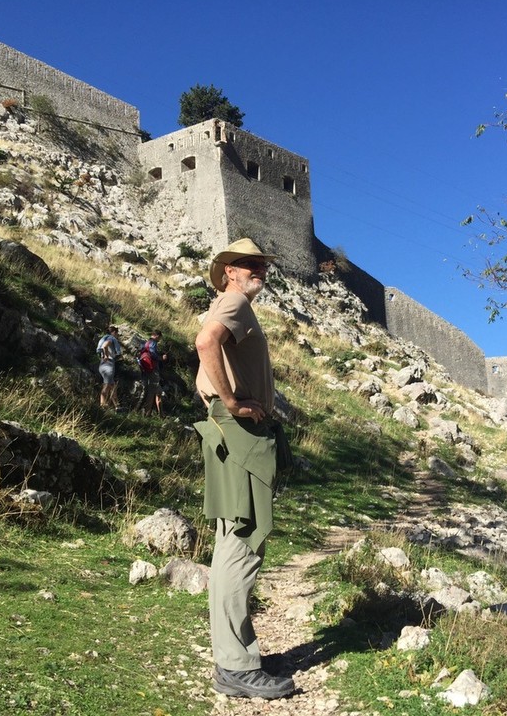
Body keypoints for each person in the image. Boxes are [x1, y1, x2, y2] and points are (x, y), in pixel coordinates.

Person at [194, 238, 295, 701]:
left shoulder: (226, 303)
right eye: (249, 264)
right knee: (243, 544)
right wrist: (232, 402)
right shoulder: (233, 301)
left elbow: (205, 357)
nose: (260, 269)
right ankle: (236, 665)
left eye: (262, 264)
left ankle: (233, 656)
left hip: (228, 434)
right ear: (228, 272)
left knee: (229, 544)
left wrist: (221, 403)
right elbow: (204, 343)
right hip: (240, 436)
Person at [138, 330, 168, 416]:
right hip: (152, 369)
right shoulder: (153, 343)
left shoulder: (146, 343)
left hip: (145, 368)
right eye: (159, 337)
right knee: (152, 390)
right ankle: (147, 412)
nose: (159, 339)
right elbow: (153, 354)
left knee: (155, 390)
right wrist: (161, 358)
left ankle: (159, 413)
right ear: (157, 336)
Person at [97, 324, 122, 408]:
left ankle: (117, 406)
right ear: (114, 332)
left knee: (112, 385)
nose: (117, 335)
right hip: (108, 364)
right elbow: (105, 346)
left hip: (103, 364)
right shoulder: (111, 338)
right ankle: (102, 405)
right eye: (117, 333)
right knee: (107, 385)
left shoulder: (104, 337)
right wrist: (106, 356)